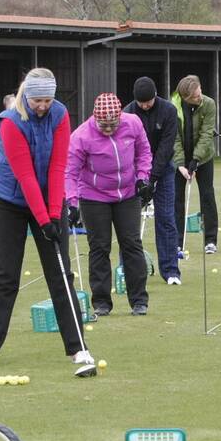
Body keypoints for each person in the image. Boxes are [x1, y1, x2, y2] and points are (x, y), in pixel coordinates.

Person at [0, 68, 97, 378]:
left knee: (60, 274)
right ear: (26, 96)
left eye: (47, 99)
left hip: (47, 198)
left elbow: (58, 166)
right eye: (37, 100)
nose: (43, 106)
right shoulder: (10, 121)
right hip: (8, 201)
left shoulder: (60, 114)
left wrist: (55, 213)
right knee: (5, 277)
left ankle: (78, 347)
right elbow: (25, 175)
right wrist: (43, 219)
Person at [66, 93, 153, 316]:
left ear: (120, 116)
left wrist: (143, 178)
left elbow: (144, 151)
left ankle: (139, 300)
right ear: (95, 119)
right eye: (103, 125)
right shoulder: (81, 136)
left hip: (127, 193)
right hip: (94, 196)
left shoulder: (133, 123)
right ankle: (102, 302)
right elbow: (71, 172)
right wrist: (72, 202)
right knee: (99, 247)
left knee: (132, 244)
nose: (108, 129)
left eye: (112, 124)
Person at [123, 77, 181, 285]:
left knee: (166, 219)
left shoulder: (168, 111)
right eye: (141, 103)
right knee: (128, 222)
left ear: (155, 95)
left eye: (148, 101)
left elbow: (167, 147)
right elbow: (128, 147)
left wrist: (153, 178)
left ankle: (171, 270)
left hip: (163, 171)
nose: (145, 106)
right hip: (134, 173)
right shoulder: (128, 112)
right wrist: (142, 179)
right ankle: (127, 269)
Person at [171, 75, 218, 255]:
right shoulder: (173, 107)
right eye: (196, 97)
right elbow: (174, 138)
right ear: (185, 98)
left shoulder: (208, 103)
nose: (200, 98)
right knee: (177, 199)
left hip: (204, 157)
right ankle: (177, 242)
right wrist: (181, 164)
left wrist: (196, 159)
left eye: (200, 93)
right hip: (179, 159)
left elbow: (207, 133)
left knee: (207, 195)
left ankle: (210, 240)